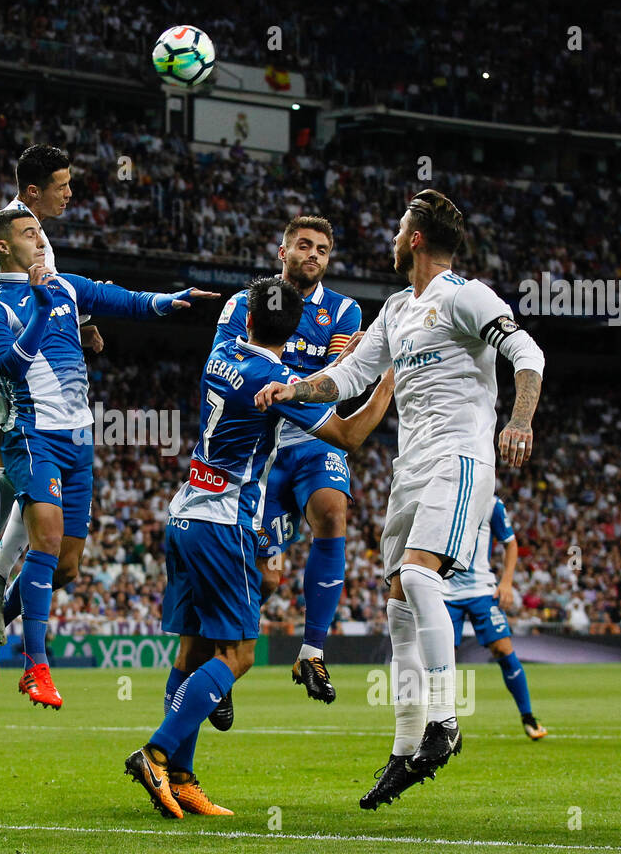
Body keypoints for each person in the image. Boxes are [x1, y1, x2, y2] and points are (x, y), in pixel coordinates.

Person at [255, 189, 545, 809]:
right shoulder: (394, 308)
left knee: (418, 579)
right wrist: (295, 387)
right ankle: (405, 749)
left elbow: (527, 352)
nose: (390, 237)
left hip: (460, 457)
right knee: (398, 608)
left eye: (398, 228)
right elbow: (352, 375)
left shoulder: (465, 296)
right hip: (409, 468)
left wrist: (519, 420)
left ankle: (444, 720)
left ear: (415, 238)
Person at [124, 276, 393, 817]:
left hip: (186, 514)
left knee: (193, 651)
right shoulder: (276, 379)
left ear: (245, 320)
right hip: (225, 523)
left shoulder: (220, 352)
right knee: (238, 654)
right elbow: (347, 436)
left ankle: (182, 778)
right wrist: (386, 381)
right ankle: (155, 753)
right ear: (294, 331)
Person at [0, 207, 219, 708]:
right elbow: (12, 367)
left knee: (66, 566)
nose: (40, 241)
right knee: (45, 537)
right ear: (2, 247)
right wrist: (39, 307)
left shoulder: (64, 285)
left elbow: (120, 299)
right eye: (28, 234)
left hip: (79, 440)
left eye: (40, 233)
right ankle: (35, 667)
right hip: (31, 433)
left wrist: (171, 302)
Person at [0, 145, 97, 691]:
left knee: (50, 537)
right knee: (10, 473)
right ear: (32, 191)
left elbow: (51, 298)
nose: (69, 192)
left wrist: (83, 323)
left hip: (3, 361)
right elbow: (17, 304)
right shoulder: (8, 227)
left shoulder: (31, 231)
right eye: (62, 183)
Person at [212, 215, 362, 710]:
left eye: (322, 248)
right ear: (282, 252)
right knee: (267, 576)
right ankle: (224, 662)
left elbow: (336, 379)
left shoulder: (342, 310)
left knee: (332, 511)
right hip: (261, 445)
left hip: (315, 436)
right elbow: (229, 363)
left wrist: (290, 381)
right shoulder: (244, 304)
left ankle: (313, 651)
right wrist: (302, 377)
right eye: (303, 245)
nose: (313, 255)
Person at [444, 494, 547, 739]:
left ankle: (528, 717)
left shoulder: (491, 503)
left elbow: (510, 543)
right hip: (445, 591)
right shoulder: (441, 494)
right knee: (443, 656)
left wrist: (507, 582)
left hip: (482, 590)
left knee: (503, 649)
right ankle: (440, 723)